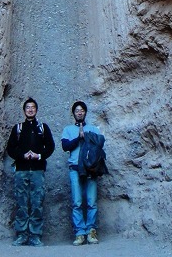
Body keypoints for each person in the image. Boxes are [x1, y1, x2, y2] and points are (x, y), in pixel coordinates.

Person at [6, 97, 55, 247]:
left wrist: (38, 156)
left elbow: (51, 147)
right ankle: (21, 235)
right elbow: (10, 148)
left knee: (37, 203)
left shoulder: (43, 128)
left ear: (36, 110)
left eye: (33, 107)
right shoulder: (18, 128)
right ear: (24, 110)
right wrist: (22, 156)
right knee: (21, 203)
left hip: (37, 171)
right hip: (21, 171)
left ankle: (35, 235)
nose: (30, 109)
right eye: (28, 107)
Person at [61, 100, 105, 245]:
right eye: (77, 110)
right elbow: (65, 146)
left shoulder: (93, 129)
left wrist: (87, 136)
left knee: (92, 202)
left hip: (90, 169)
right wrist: (78, 138)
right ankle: (79, 232)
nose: (79, 113)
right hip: (74, 168)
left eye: (82, 110)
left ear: (85, 112)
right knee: (77, 202)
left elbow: (100, 144)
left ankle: (91, 230)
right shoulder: (68, 129)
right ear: (73, 113)